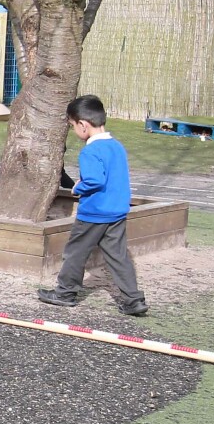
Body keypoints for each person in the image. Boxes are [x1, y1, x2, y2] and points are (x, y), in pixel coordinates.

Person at [37, 95, 147, 315]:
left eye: (72, 126)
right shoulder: (117, 146)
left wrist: (78, 187)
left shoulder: (90, 151)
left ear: (83, 125)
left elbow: (95, 180)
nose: (74, 131)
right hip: (116, 212)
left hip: (94, 213)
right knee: (118, 256)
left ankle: (65, 293)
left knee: (76, 252)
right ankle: (134, 300)